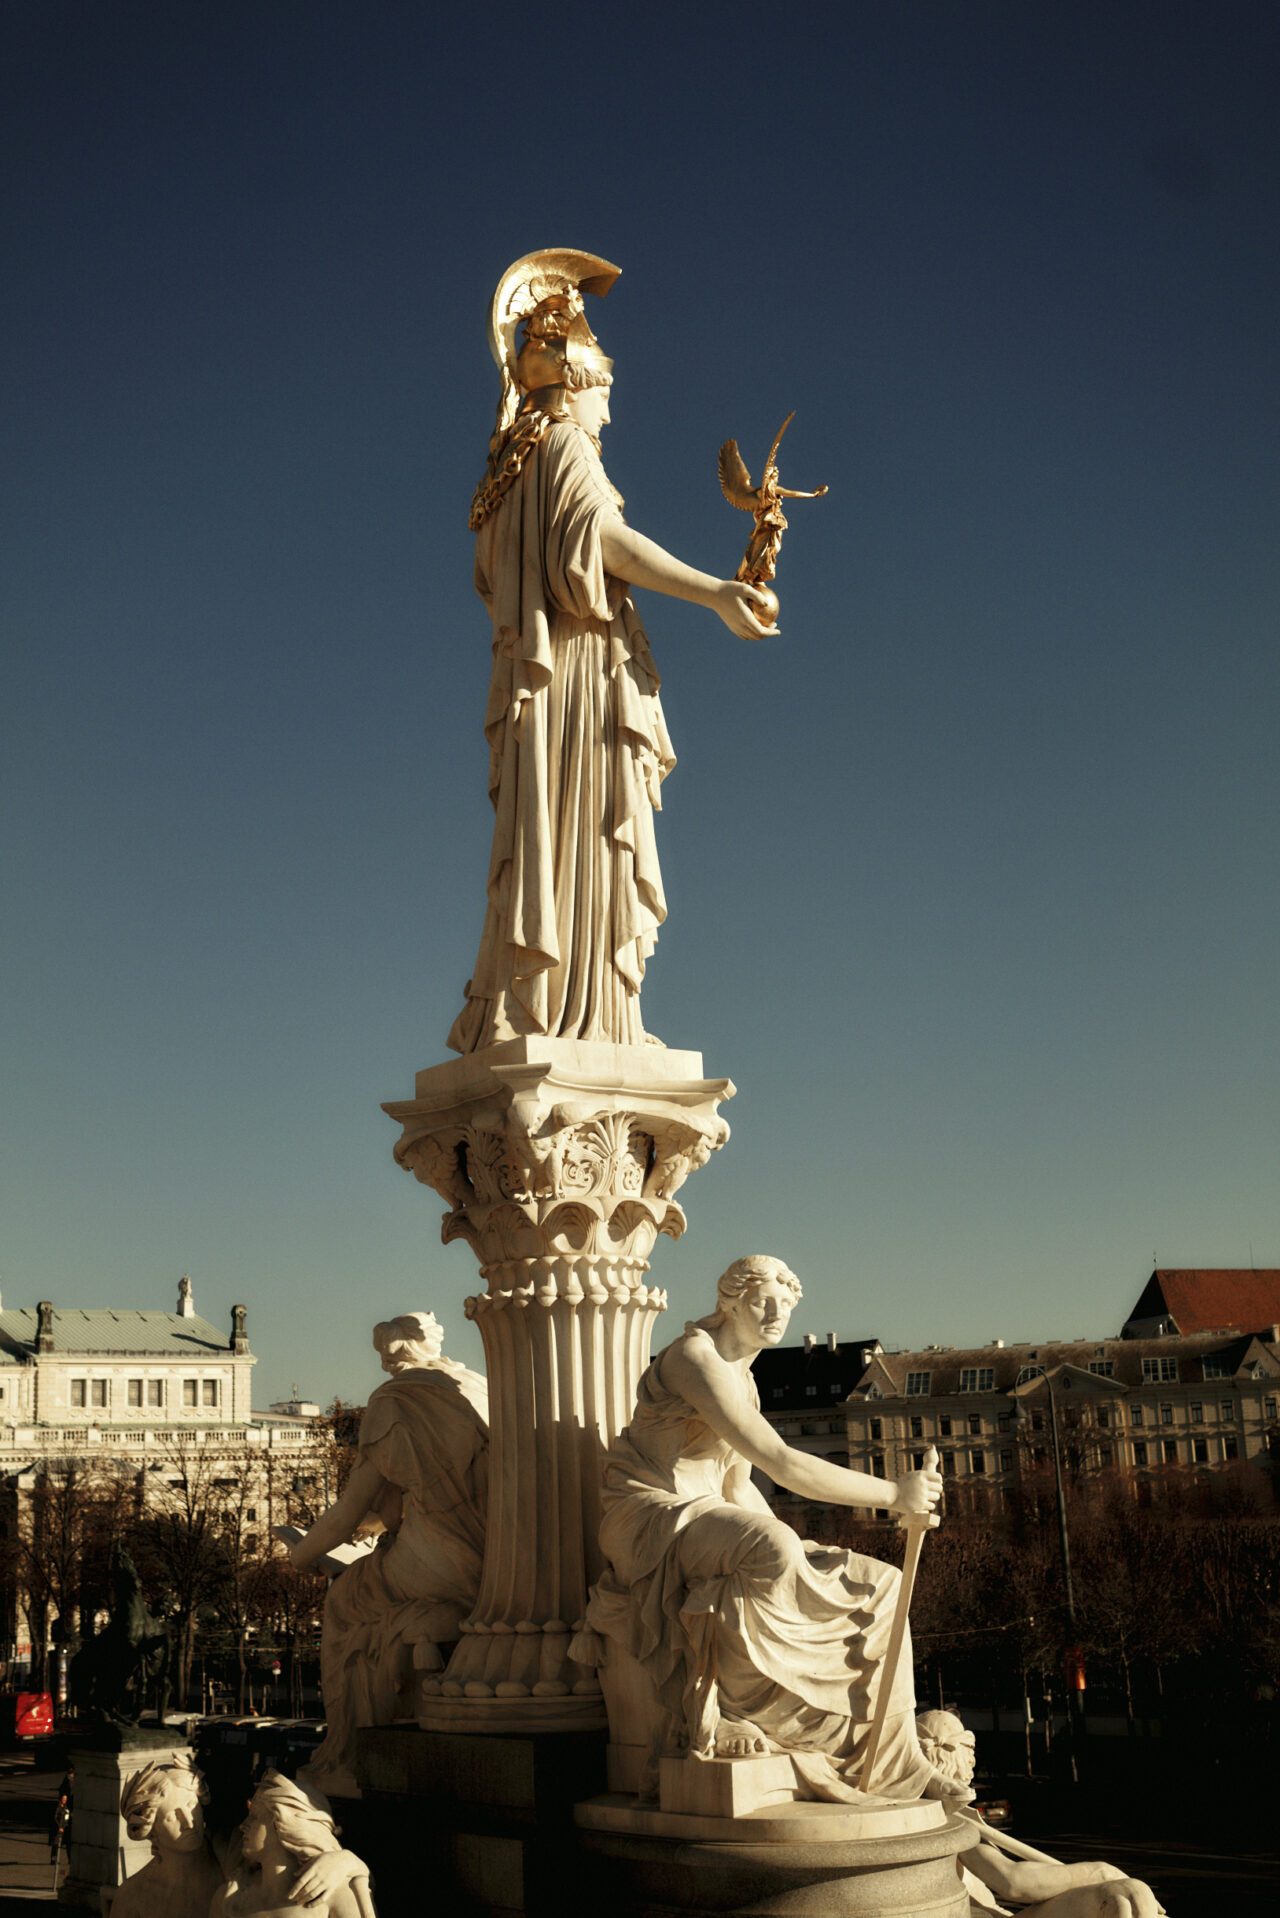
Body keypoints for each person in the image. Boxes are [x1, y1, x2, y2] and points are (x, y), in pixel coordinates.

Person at [449, 249, 776, 1055]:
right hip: (578, 677)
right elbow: (604, 541)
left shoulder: (508, 468)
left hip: (547, 682)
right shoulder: (562, 448)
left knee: (557, 841)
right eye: (607, 395)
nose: (608, 413)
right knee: (584, 834)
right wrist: (715, 593)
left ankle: (562, 1009)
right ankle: (586, 1016)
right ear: (578, 383)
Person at [582, 1255, 954, 1801]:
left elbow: (738, 1486)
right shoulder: (693, 1357)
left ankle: (898, 1764)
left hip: (708, 1512)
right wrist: (893, 1495)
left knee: (882, 1583)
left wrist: (799, 1552)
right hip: (651, 1514)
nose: (776, 1312)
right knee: (774, 1547)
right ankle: (733, 1713)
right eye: (762, 1301)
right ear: (729, 1302)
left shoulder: (747, 1382)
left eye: (786, 1302)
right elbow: (779, 1460)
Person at [284, 1313, 488, 1796]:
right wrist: (375, 1527)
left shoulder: (393, 1402)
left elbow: (348, 1508)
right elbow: (417, 1494)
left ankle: (348, 1748)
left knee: (346, 1600)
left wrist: (300, 1555)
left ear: (389, 1355)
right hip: (491, 1552)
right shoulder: (475, 1385)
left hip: (437, 1560)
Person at [915, 1712, 1163, 1917]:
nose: (972, 1758)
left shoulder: (946, 1816)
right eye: (968, 1744)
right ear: (943, 1753)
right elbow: (1013, 1882)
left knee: (1125, 1896)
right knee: (1123, 1895)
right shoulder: (944, 1819)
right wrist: (1100, 1872)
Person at [211, 1771, 372, 1918]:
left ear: (282, 1822)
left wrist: (349, 1861)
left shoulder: (336, 1897)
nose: (243, 1825)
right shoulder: (230, 1897)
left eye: (255, 1816)